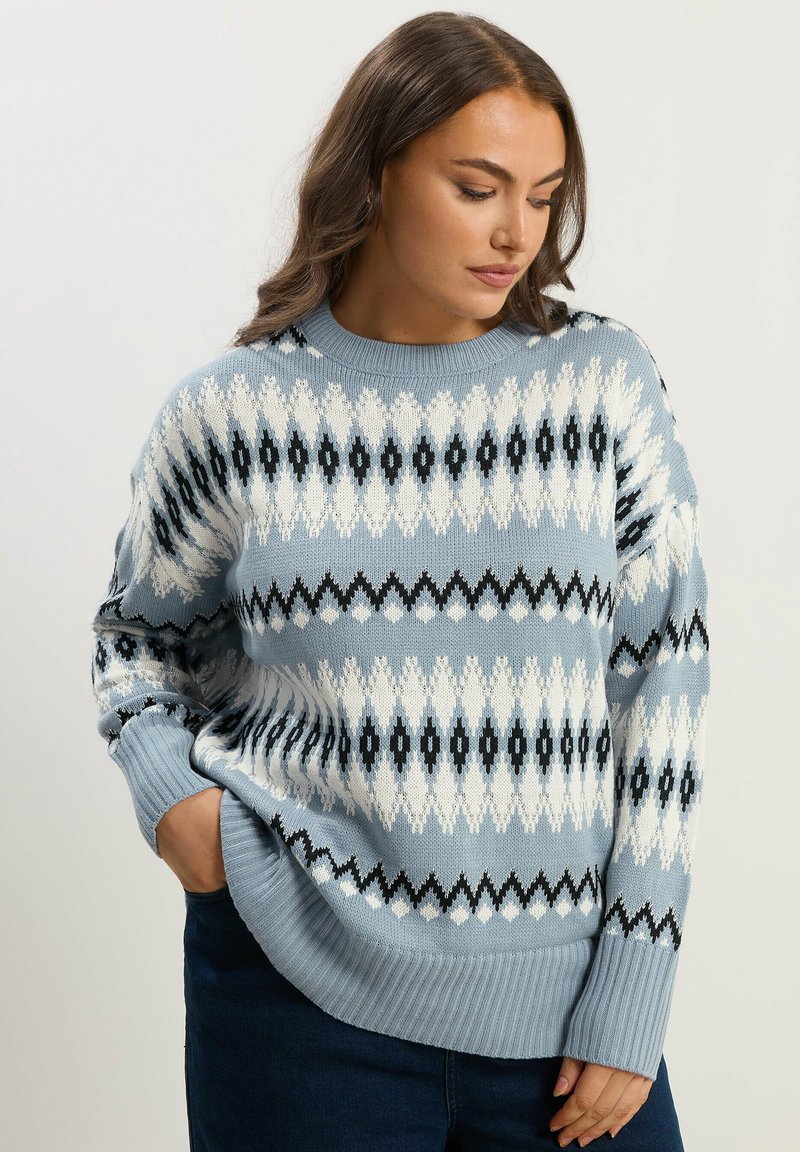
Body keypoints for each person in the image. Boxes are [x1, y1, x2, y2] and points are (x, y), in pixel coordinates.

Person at [89, 11, 710, 1151]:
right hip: (291, 999)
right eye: (477, 188)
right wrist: (177, 805)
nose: (516, 232)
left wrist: (635, 982)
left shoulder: (601, 386)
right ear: (374, 175)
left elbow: (660, 685)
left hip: (565, 1020)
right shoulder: (232, 413)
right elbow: (138, 641)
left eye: (543, 196)